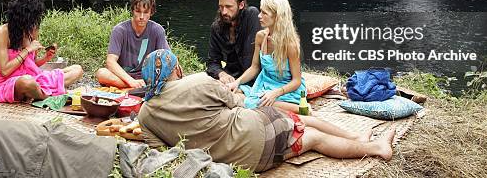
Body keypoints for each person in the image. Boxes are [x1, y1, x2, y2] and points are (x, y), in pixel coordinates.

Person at [138, 50, 395, 173]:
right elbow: (237, 102)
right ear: (177, 70)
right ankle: (373, 147)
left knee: (300, 123)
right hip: (255, 137)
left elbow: (164, 154)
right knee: (310, 132)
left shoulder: (144, 115)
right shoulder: (199, 81)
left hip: (231, 162)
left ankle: (358, 139)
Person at [0, 0, 83, 102]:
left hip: (35, 78)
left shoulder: (31, 30)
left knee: (77, 69)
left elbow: (31, 64)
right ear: (23, 17)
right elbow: (5, 70)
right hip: (12, 83)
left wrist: (46, 58)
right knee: (27, 82)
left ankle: (39, 93)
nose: (34, 23)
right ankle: (51, 96)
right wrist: (27, 50)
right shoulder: (1, 32)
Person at [226, 0, 306, 113]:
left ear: (277, 17)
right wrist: (236, 82)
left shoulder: (290, 44)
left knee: (254, 104)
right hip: (265, 83)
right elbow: (254, 67)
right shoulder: (260, 36)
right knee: (230, 92)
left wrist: (275, 93)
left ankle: (301, 109)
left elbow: (297, 80)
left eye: (264, 13)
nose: (259, 16)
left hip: (286, 88)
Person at [96, 0, 169, 88]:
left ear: (151, 12)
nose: (141, 17)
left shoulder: (157, 30)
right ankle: (140, 87)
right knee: (101, 73)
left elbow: (168, 58)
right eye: (138, 11)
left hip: (147, 76)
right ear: (132, 11)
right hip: (123, 76)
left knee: (173, 75)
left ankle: (138, 86)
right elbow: (110, 61)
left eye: (146, 12)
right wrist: (131, 81)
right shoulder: (119, 30)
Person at [206, 0, 261, 85]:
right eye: (221, 7)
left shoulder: (251, 16)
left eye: (228, 7)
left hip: (253, 79)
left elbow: (250, 61)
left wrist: (238, 84)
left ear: (241, 5)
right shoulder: (216, 28)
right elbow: (212, 62)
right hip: (230, 77)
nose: (224, 12)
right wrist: (221, 74)